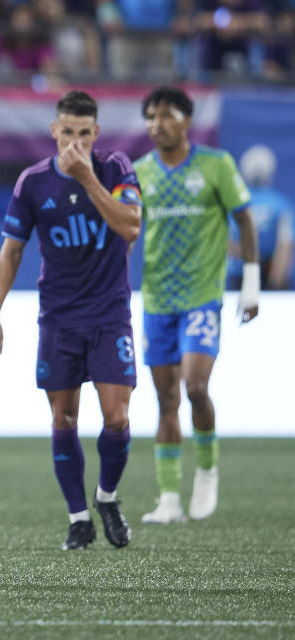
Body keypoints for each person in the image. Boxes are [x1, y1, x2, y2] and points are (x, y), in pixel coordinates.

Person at [0, 90, 142, 551]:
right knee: (63, 418)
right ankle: (78, 519)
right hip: (59, 318)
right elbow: (11, 252)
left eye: (84, 133)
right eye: (67, 132)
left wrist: (87, 178)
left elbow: (130, 226)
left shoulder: (115, 169)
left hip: (110, 313)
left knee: (117, 417)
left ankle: (106, 497)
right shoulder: (31, 183)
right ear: (54, 131)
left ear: (96, 133)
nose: (74, 141)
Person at [135, 85, 259, 524]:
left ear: (186, 120)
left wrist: (251, 283)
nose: (157, 124)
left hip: (202, 298)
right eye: (150, 117)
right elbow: (127, 229)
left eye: (166, 115)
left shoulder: (215, 165)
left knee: (195, 387)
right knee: (165, 399)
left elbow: (244, 219)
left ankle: (207, 471)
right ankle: (169, 498)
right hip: (157, 300)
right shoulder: (140, 173)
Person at [227, 145, 294, 290]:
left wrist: (249, 257)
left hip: (242, 272)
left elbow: (226, 242)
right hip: (270, 271)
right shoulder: (281, 204)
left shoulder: (235, 202)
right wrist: (276, 281)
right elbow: (285, 246)